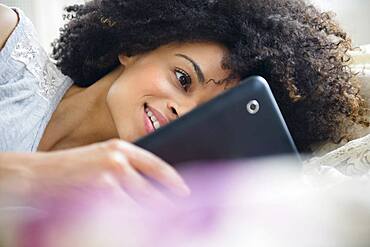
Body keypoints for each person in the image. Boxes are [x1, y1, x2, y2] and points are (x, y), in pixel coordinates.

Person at [0, 0, 368, 205]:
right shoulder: (8, 45)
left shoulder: (126, 209)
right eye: (183, 79)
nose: (182, 113)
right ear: (134, 46)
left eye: (207, 117)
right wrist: (38, 175)